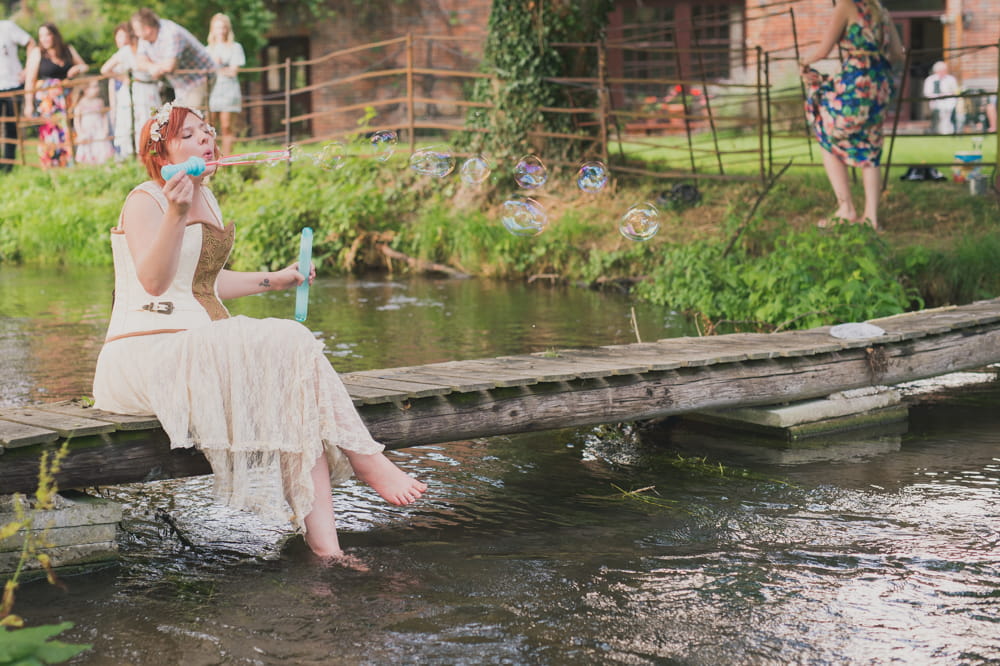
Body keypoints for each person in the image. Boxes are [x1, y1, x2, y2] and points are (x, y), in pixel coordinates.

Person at [91, 102, 427, 561]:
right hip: (145, 356)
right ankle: (367, 458)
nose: (204, 138)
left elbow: (204, 283)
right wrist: (175, 211)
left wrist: (277, 278)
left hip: (199, 347)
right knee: (290, 339)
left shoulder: (206, 197)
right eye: (187, 134)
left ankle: (326, 548)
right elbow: (154, 280)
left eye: (206, 131)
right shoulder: (145, 200)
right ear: (161, 150)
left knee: (296, 389)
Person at [801, 0, 904, 231]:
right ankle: (872, 218)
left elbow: (823, 50)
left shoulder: (847, 6)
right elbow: (898, 54)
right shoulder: (882, 11)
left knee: (826, 135)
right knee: (871, 147)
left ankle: (846, 209)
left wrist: (804, 62)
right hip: (879, 86)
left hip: (856, 85)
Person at [23, 22, 87, 168]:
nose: (44, 39)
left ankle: (69, 161)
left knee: (67, 129)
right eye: (41, 36)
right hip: (47, 101)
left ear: (55, 35)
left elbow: (84, 66)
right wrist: (28, 104)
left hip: (66, 99)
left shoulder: (67, 50)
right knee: (50, 132)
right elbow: (30, 80)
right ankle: (51, 163)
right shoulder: (37, 53)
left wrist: (77, 68)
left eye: (47, 34)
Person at [131, 8, 214, 109]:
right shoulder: (144, 38)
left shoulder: (172, 33)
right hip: (180, 83)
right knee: (178, 117)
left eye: (136, 30)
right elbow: (140, 62)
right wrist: (152, 67)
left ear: (147, 29)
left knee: (192, 115)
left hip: (199, 77)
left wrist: (153, 67)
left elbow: (170, 66)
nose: (135, 33)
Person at [101, 21, 161, 157]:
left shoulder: (147, 47)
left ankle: (151, 153)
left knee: (151, 120)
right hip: (135, 90)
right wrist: (123, 78)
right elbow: (105, 69)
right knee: (133, 122)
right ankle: (137, 154)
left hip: (150, 90)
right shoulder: (126, 51)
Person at [206, 13, 244, 156]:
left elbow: (233, 72)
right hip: (212, 91)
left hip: (229, 91)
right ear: (212, 29)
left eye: (223, 27)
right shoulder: (208, 49)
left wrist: (217, 65)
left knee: (227, 127)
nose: (220, 31)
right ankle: (211, 159)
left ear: (227, 29)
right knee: (208, 127)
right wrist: (220, 67)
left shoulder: (235, 47)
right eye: (217, 27)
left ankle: (226, 162)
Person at [0, 18, 35, 172]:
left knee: (11, 126)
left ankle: (8, 165)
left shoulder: (7, 27)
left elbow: (30, 42)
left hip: (12, 84)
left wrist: (28, 69)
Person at [73, 78, 114, 165]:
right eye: (94, 87)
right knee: (88, 147)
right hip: (87, 131)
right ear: (86, 90)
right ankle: (89, 163)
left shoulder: (99, 102)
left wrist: (105, 128)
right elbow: (77, 120)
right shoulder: (81, 104)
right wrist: (80, 133)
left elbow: (104, 116)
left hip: (98, 129)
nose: (97, 89)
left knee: (100, 145)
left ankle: (102, 162)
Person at [923, 61, 961, 134]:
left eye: (944, 70)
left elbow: (956, 91)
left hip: (949, 102)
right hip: (936, 102)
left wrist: (948, 95)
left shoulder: (950, 79)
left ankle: (947, 132)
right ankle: (941, 131)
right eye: (941, 70)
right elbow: (927, 93)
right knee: (941, 116)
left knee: (947, 117)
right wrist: (938, 96)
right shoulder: (930, 80)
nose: (943, 72)